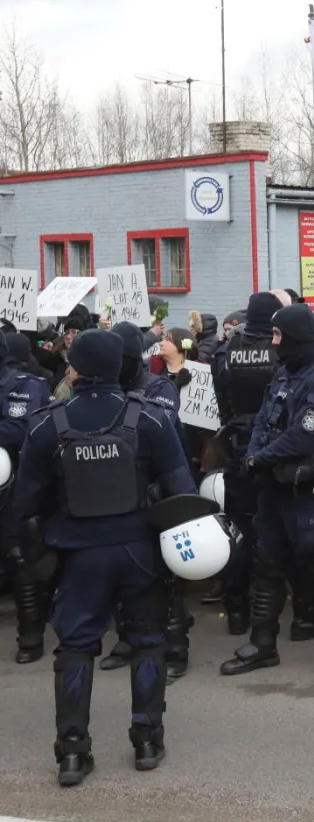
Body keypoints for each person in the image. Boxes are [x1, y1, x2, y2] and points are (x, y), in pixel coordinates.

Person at [11, 329, 195, 785]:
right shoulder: (150, 418)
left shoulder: (45, 424)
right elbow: (183, 490)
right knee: (149, 640)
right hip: (139, 552)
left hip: (78, 555)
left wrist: (33, 554)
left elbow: (23, 505)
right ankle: (147, 741)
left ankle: (72, 754)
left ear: (73, 367)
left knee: (75, 647)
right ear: (120, 365)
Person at [218, 304, 314, 681]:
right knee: (267, 563)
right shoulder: (284, 374)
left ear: (294, 336)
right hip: (275, 486)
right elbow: (264, 421)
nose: (273, 342)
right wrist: (254, 458)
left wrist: (258, 460)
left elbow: (304, 434)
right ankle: (263, 645)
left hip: (309, 487)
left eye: (278, 336)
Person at [95, 323, 187, 677]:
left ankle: (176, 648)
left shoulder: (158, 388)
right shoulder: (105, 388)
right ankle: (127, 639)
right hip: (118, 494)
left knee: (166, 577)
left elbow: (161, 436)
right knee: (122, 576)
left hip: (157, 491)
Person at [211, 293, 285, 638]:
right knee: (273, 529)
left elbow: (221, 398)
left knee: (238, 530)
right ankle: (269, 610)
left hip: (236, 445)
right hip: (272, 448)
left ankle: (237, 610)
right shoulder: (280, 350)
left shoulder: (226, 350)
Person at [4, 332, 56, 664]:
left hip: (18, 487)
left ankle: (30, 637)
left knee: (20, 558)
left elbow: (26, 428)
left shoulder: (28, 385)